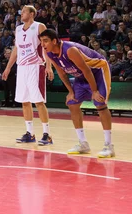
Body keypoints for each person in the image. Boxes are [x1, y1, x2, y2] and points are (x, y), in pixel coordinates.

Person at [40, 29, 115, 158]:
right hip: (81, 76)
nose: (42, 44)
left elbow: (87, 70)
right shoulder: (50, 54)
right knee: (72, 103)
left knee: (100, 103)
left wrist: (95, 91)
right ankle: (83, 144)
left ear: (54, 40)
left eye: (45, 41)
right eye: (41, 41)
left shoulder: (70, 50)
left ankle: (109, 145)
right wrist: (70, 92)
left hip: (97, 70)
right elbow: (62, 74)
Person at [2, 5, 54, 145]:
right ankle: (30, 133)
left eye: (24, 11)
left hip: (35, 67)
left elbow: (46, 47)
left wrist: (49, 66)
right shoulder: (18, 29)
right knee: (25, 101)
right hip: (22, 67)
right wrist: (8, 68)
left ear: (32, 14)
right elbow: (16, 49)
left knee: (38, 101)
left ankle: (47, 134)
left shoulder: (39, 26)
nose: (21, 13)